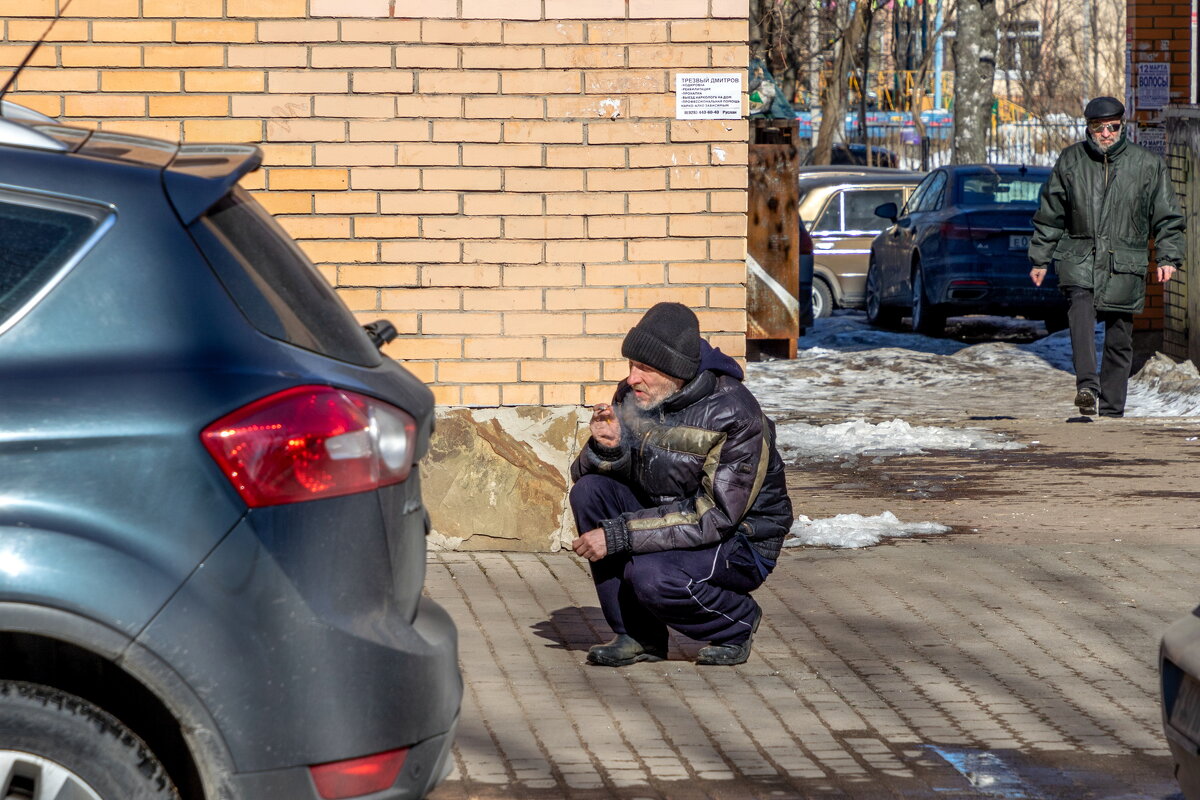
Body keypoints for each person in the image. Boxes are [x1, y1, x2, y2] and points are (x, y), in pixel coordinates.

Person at [568, 302, 793, 667]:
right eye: (630, 366)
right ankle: (639, 636)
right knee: (590, 491)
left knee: (652, 576)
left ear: (676, 371)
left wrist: (620, 535)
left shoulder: (735, 413)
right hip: (669, 518)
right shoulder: (633, 397)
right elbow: (598, 474)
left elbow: (716, 514)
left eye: (644, 368)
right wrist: (606, 450)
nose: (631, 378)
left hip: (741, 540)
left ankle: (735, 622)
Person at [1029, 96, 1186, 418]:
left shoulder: (1146, 164)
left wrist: (1168, 257)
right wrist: (1040, 259)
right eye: (1098, 128)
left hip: (1125, 259)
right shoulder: (1071, 160)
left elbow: (1167, 217)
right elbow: (1051, 213)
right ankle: (1087, 386)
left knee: (1119, 333)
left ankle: (1113, 408)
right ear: (1088, 128)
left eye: (1112, 127)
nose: (1105, 134)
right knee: (1081, 313)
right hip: (1080, 254)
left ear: (1121, 126)